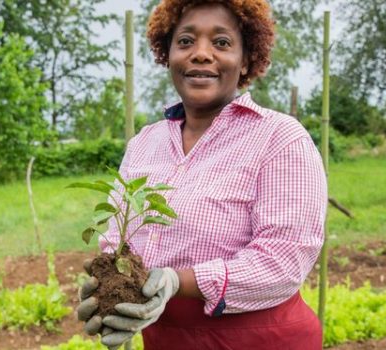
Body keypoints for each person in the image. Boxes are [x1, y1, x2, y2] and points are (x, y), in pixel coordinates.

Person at [76, 1, 327, 349]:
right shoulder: (145, 144)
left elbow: (284, 259)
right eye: (185, 42)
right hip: (166, 338)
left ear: (246, 60)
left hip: (258, 338)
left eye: (222, 43)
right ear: (168, 55)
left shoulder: (279, 138)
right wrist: (106, 287)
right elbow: (117, 240)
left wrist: (178, 282)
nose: (201, 54)